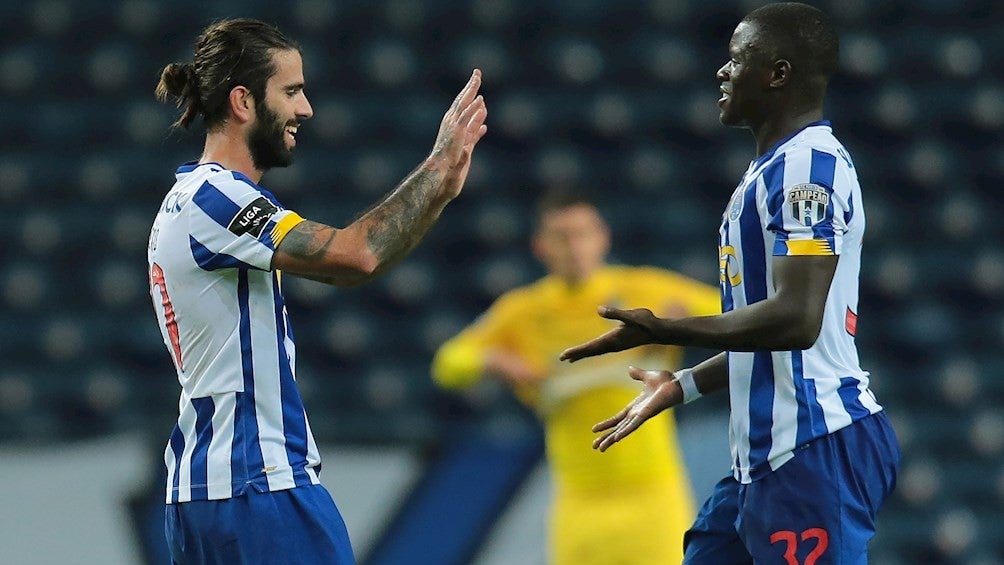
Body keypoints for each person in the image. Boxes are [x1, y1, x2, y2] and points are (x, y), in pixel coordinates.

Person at [559, 4, 899, 564]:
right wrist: (683, 385)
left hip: (815, 448)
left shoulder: (807, 171)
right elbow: (776, 343)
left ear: (779, 73)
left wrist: (665, 328)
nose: (722, 71)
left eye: (738, 58)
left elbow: (797, 319)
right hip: (763, 463)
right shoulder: (771, 170)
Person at [148, 19, 487, 564]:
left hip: (211, 493)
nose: (305, 109)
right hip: (256, 489)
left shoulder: (188, 200)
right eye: (291, 91)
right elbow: (356, 254)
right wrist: (439, 167)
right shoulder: (217, 198)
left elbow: (354, 264)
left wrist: (439, 191)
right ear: (243, 101)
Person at [432, 191, 720, 565]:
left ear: (603, 237)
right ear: (540, 246)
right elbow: (448, 365)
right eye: (561, 236)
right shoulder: (524, 311)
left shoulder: (646, 290)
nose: (574, 246)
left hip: (654, 497)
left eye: (583, 233)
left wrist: (681, 326)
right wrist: (493, 358)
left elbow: (729, 312)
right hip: (579, 504)